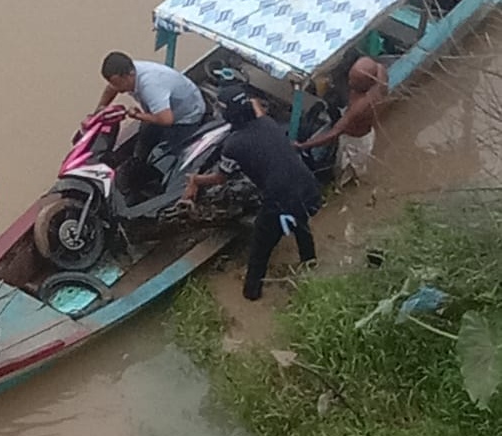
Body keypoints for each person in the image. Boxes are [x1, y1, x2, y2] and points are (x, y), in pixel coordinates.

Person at [183, 87, 321, 301]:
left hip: (280, 201)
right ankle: (309, 262)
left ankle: (252, 292)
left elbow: (221, 178)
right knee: (301, 222)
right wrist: (253, 101)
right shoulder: (267, 124)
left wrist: (195, 180)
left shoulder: (232, 145)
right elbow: (259, 114)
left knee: (260, 245)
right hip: (309, 188)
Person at [295, 56, 388, 186]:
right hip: (365, 130)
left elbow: (333, 133)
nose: (349, 83)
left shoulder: (359, 108)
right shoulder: (380, 75)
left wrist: (304, 145)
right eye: (350, 78)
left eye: (354, 81)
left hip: (355, 141)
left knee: (346, 171)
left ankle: (345, 188)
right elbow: (377, 66)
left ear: (366, 83)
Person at [96, 51, 206, 162]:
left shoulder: (150, 86)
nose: (117, 89)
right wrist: (100, 109)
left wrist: (137, 115)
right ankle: (138, 160)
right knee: (142, 145)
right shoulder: (127, 71)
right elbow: (111, 88)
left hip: (185, 117)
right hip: (159, 110)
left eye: (118, 84)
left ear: (129, 75)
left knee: (169, 157)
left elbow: (166, 120)